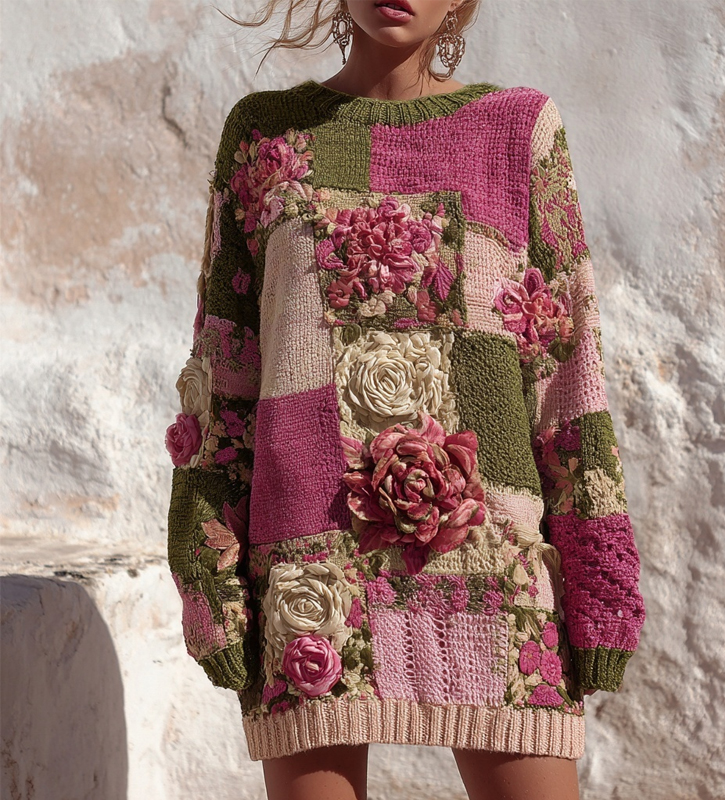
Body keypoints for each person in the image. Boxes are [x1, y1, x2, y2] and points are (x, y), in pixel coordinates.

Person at [163, 1, 647, 798]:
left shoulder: (518, 131)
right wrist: (205, 566)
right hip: (310, 575)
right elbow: (226, 369)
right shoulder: (265, 136)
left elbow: (567, 373)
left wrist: (601, 584)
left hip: (493, 565)